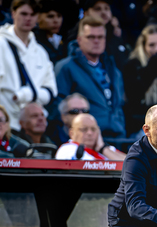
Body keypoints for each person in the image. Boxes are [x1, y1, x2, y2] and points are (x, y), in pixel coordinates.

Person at [55, 16, 126, 143]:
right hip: (86, 141)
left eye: (100, 37)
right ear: (79, 39)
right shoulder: (65, 68)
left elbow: (120, 104)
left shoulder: (114, 70)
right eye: (91, 37)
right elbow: (59, 109)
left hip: (118, 138)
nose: (96, 41)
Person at [0, 0, 57, 132]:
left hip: (34, 126)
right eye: (24, 14)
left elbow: (51, 91)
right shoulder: (1, 43)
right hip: (7, 126)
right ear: (13, 14)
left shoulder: (41, 52)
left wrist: (25, 94)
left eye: (32, 15)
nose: (28, 18)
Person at [66, 0, 130, 71]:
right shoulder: (75, 39)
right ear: (85, 13)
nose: (103, 12)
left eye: (106, 8)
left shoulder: (115, 37)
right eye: (97, 9)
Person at [55, 113, 126, 160]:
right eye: (84, 129)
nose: (89, 133)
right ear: (72, 133)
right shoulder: (66, 149)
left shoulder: (106, 150)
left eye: (93, 129)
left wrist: (103, 149)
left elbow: (132, 165)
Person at [34, 0, 67, 65]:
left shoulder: (64, 40)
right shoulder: (33, 41)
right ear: (38, 17)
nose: (56, 20)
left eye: (59, 16)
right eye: (50, 16)